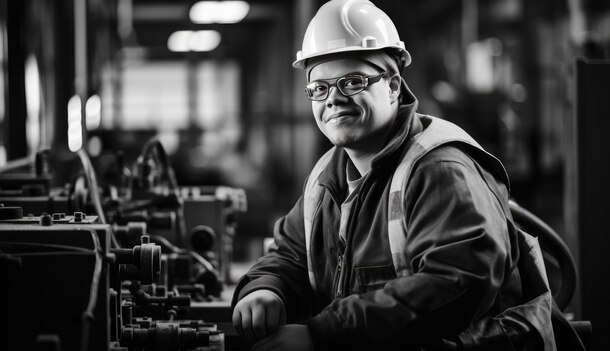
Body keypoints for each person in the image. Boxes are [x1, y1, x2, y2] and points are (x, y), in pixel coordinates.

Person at [231, 1, 577, 350]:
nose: (332, 98)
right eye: (319, 88)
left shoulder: (440, 168)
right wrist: (266, 288)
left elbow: (454, 282)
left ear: (394, 86)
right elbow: (291, 253)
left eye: (352, 82)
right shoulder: (327, 177)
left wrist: (323, 334)